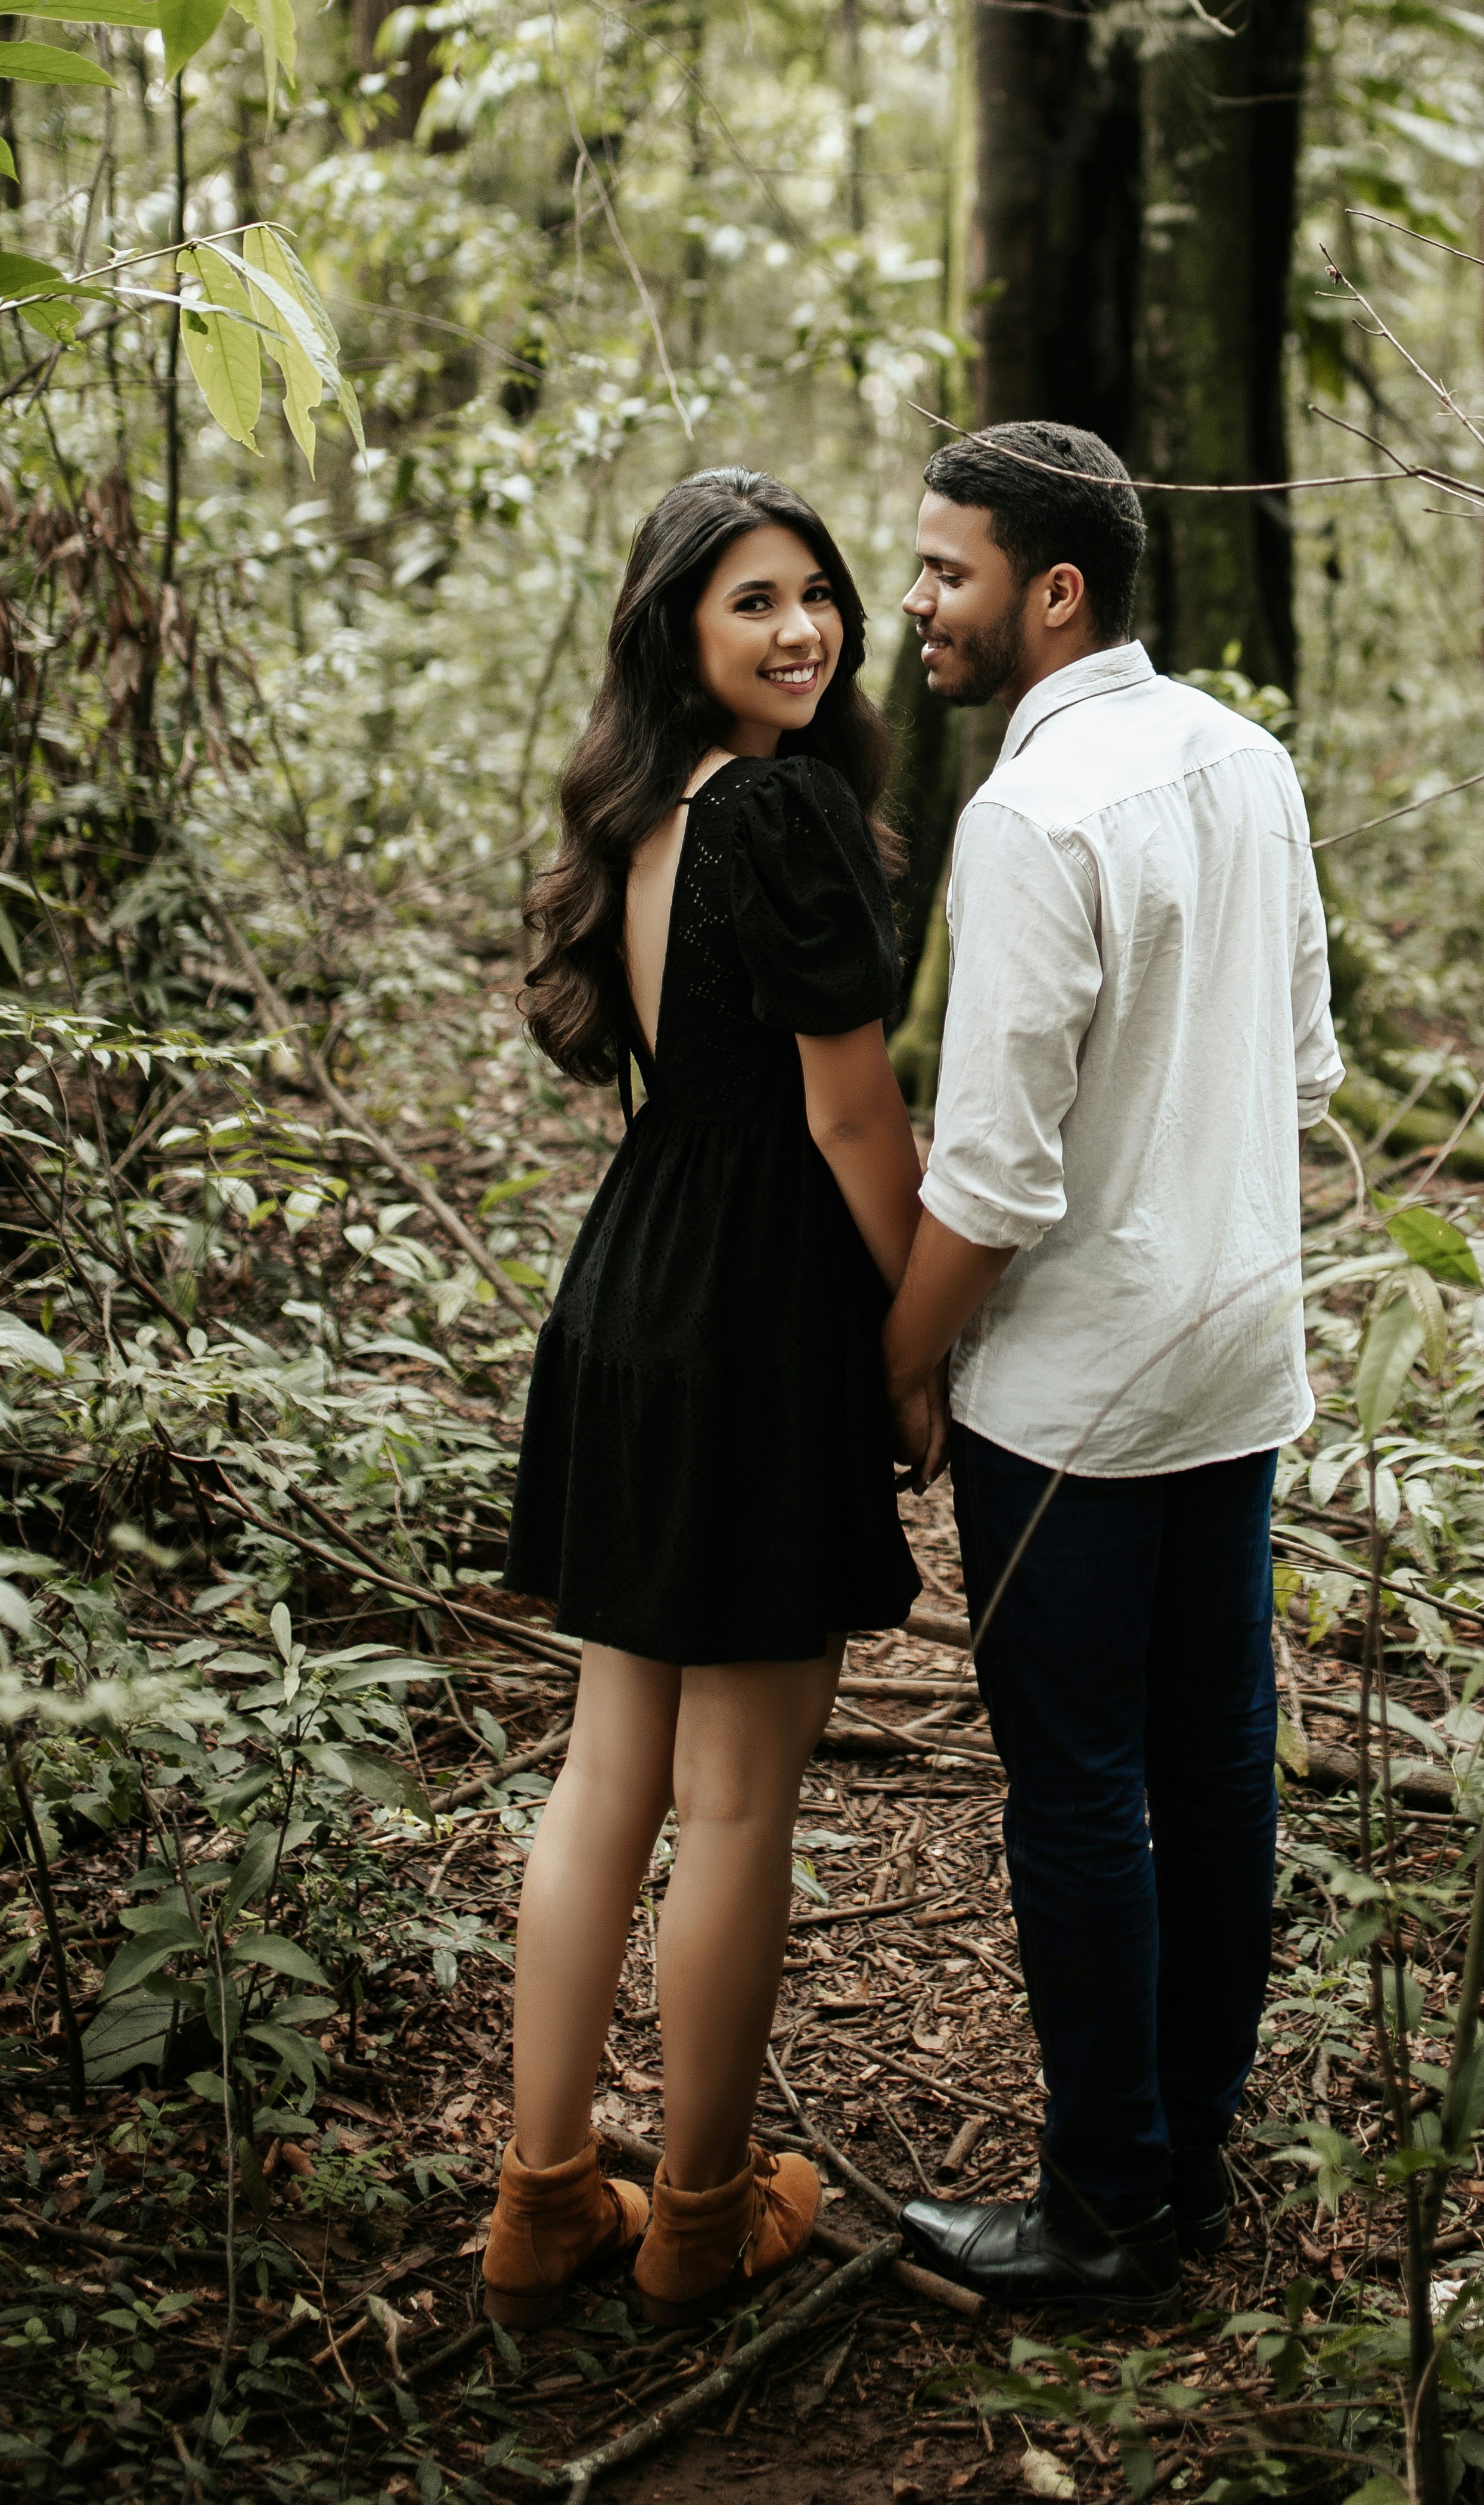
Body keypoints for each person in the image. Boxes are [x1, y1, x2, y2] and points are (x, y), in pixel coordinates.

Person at [883, 422, 1343, 2311]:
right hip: (1237, 1353)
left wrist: (901, 1364)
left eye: (945, 571)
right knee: (1213, 1763)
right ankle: (1186, 2152)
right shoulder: (1249, 759)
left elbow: (990, 1172)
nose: (911, 601)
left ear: (1051, 590)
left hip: (1072, 1393)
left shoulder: (1029, 815)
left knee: (1077, 1782)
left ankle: (1098, 2210)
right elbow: (1306, 1068)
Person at [480, 467, 929, 2330]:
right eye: (755, 600)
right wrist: (917, 1333)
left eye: (818, 592)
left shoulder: (649, 815)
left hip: (634, 1281)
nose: (804, 628)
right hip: (754, 1307)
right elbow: (845, 1112)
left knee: (608, 1772)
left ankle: (539, 2200)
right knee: (738, 1799)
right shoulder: (790, 812)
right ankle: (699, 2213)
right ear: (679, 623)